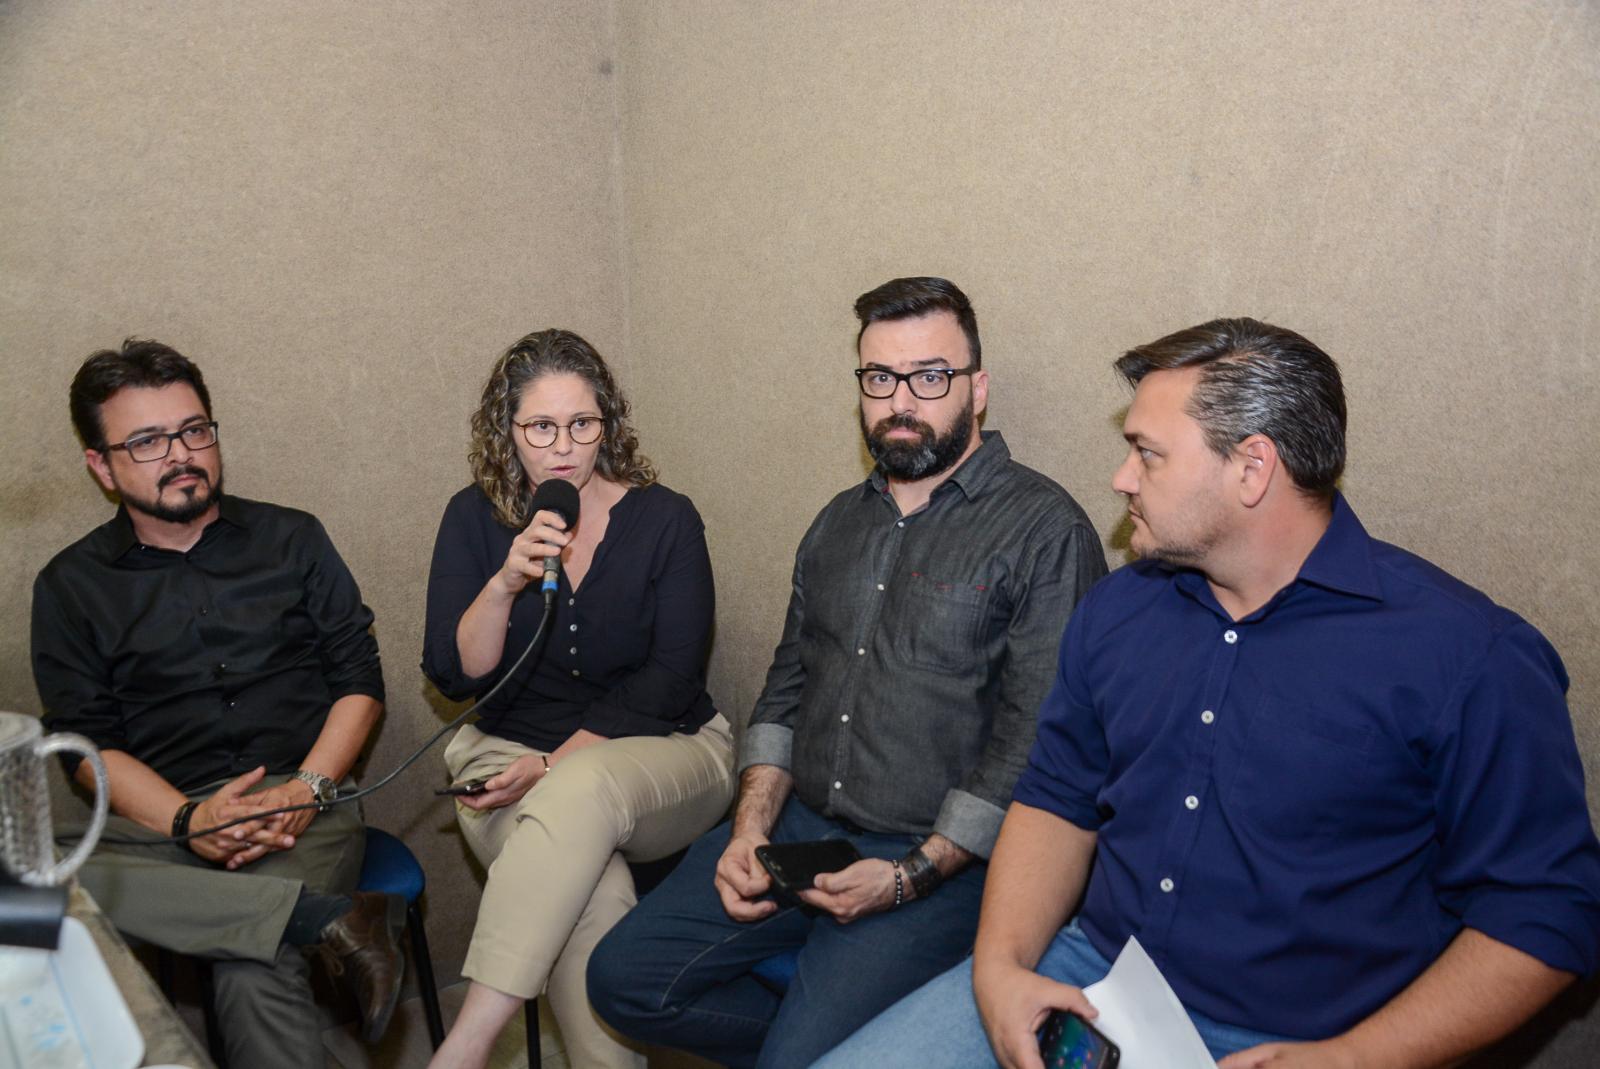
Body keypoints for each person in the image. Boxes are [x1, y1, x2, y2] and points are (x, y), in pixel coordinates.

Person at [813, 317, 1600, 1069]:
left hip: (1313, 1034)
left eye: (1147, 454)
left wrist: (1362, 1055)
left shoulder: (1466, 654)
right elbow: (1057, 797)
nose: (1121, 478)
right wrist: (999, 969)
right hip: (1090, 974)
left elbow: (1546, 908)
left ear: (1252, 467)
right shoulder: (1119, 611)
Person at [587, 277, 1108, 1069]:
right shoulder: (836, 523)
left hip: (945, 864)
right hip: (799, 831)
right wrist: (750, 827)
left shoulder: (1045, 532)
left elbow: (1033, 748)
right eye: (879, 377)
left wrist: (904, 877)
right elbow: (785, 689)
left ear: (979, 387)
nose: (901, 400)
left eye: (930, 376)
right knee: (620, 981)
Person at [31, 339, 404, 1069]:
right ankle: (326, 921)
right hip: (157, 823)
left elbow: (359, 678)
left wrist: (308, 787)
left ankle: (296, 916)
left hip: (302, 802)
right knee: (25, 872)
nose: (180, 453)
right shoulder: (70, 585)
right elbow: (85, 745)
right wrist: (187, 818)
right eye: (145, 440)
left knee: (248, 964)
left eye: (194, 429)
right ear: (100, 465)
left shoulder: (292, 537)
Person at [421, 329, 735, 1069]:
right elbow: (454, 673)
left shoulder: (666, 519)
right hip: (506, 753)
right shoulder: (472, 518)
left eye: (582, 425)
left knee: (580, 785)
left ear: (609, 423)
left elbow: (671, 677)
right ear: (509, 431)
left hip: (666, 750)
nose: (563, 447)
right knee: (591, 893)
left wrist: (553, 763)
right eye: (540, 428)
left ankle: (464, 1046)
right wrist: (503, 582)